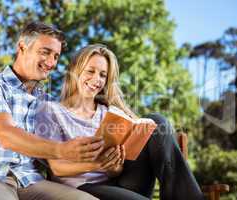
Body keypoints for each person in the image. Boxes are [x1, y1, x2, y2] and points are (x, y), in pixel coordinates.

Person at [0, 22, 103, 200]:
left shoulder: (47, 102)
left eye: (56, 56)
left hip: (30, 182)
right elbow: (5, 133)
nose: (51, 62)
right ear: (22, 47)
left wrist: (99, 155)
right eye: (45, 52)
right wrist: (62, 149)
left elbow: (60, 157)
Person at [35, 44, 205, 200]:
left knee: (157, 121)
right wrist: (96, 164)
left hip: (122, 182)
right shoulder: (51, 110)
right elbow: (57, 168)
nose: (97, 80)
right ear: (75, 70)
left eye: (103, 75)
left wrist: (113, 166)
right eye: (90, 71)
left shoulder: (108, 113)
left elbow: (116, 171)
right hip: (83, 188)